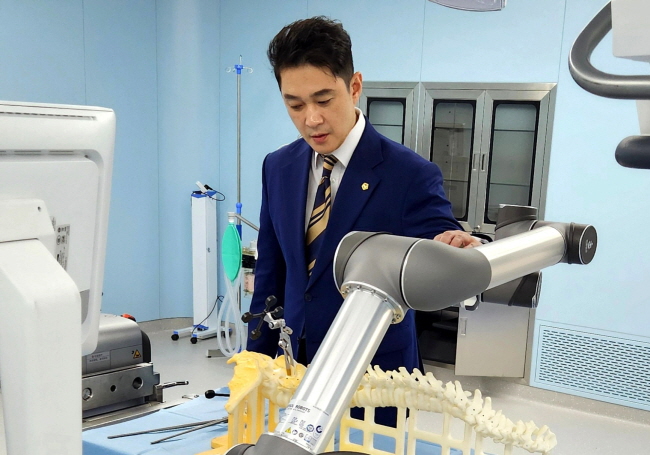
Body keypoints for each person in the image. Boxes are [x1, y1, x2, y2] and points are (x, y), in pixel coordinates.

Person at [247, 16, 479, 424]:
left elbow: (441, 239)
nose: (311, 119)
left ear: (354, 86)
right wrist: (254, 366)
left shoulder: (408, 174)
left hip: (375, 375)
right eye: (295, 105)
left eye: (324, 100)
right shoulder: (278, 167)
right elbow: (272, 271)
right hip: (295, 366)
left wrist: (454, 249)